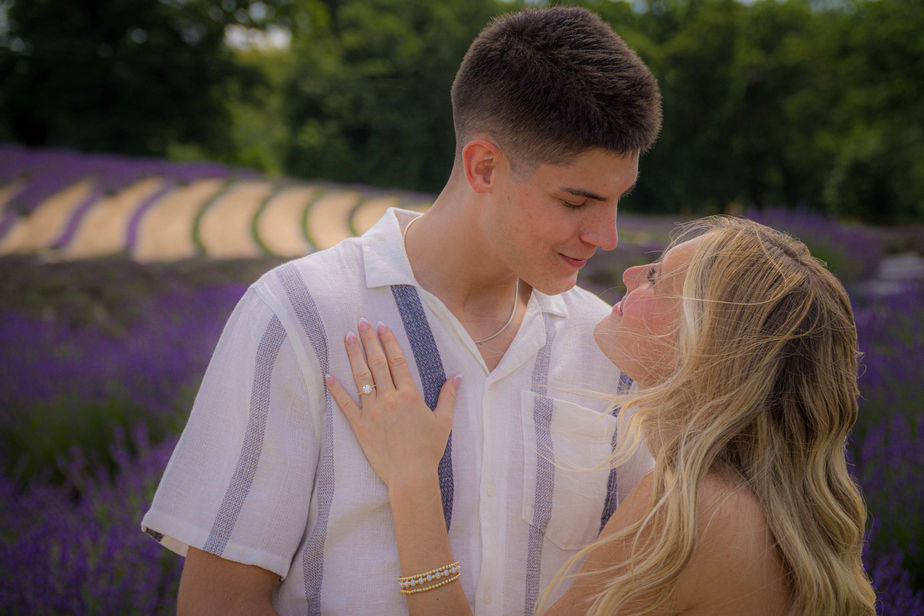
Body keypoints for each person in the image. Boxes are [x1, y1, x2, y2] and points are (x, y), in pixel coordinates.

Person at [141, 7, 662, 614]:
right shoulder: (298, 316)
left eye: (618, 201)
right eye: (578, 201)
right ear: (484, 166)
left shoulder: (607, 346)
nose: (607, 235)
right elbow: (219, 603)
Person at [327, 216, 877, 615]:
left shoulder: (690, 511)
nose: (632, 271)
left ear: (704, 342)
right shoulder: (760, 505)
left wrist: (413, 479)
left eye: (659, 280)